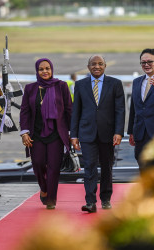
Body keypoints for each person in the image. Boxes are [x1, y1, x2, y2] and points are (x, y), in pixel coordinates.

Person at [70, 55, 125, 213]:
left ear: (105, 66)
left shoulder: (115, 84)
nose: (97, 67)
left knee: (107, 167)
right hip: (87, 133)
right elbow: (76, 112)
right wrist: (74, 135)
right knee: (90, 168)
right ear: (88, 67)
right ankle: (90, 202)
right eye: (93, 64)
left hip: (108, 134)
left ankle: (106, 198)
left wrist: (119, 132)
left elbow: (120, 110)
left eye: (100, 64)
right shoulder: (80, 85)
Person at [20, 58, 72, 209]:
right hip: (36, 134)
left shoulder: (61, 86)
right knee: (38, 163)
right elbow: (25, 112)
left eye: (47, 68)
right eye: (41, 69)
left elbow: (69, 110)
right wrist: (24, 132)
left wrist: (72, 133)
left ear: (52, 69)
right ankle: (43, 189)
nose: (45, 71)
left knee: (54, 167)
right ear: (37, 71)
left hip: (56, 134)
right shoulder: (30, 88)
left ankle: (51, 200)